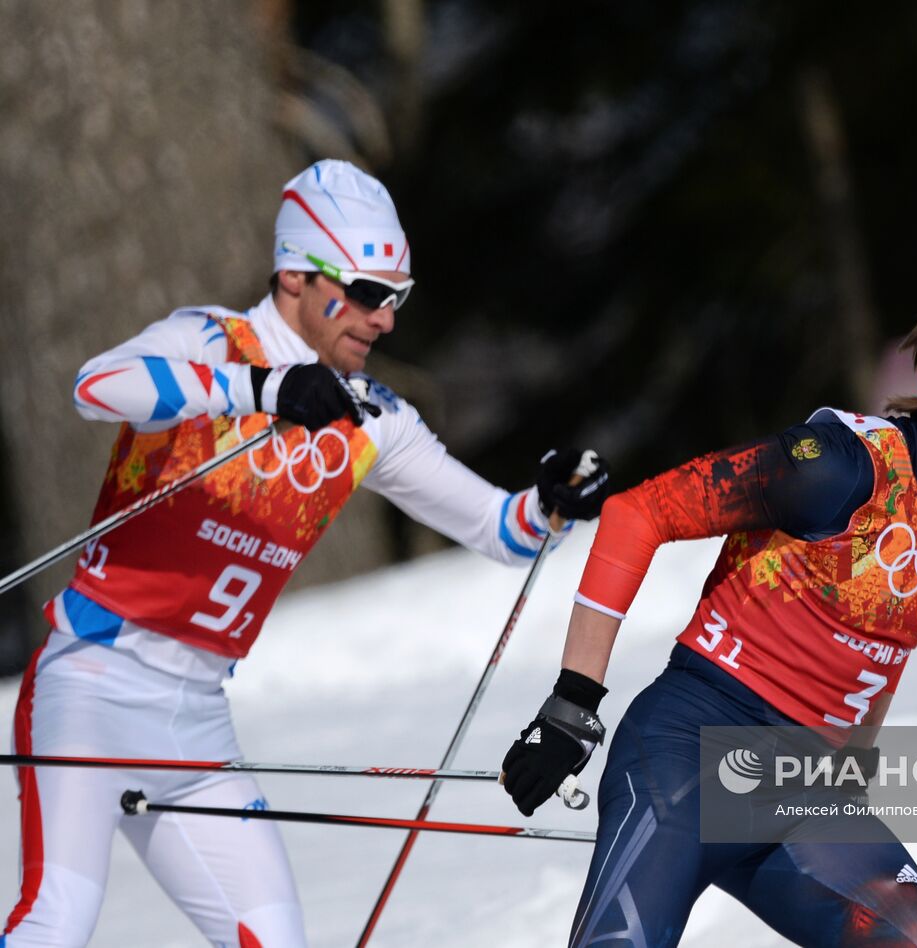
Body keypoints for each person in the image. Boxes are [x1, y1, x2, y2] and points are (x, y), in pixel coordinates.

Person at [2, 159, 610, 947]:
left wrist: (553, 500)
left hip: (193, 721)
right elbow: (96, 386)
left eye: (396, 299)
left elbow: (501, 529)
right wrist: (262, 389)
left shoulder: (370, 417)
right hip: (90, 682)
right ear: (296, 273)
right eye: (366, 293)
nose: (384, 319)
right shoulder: (212, 339)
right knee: (57, 920)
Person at [500, 277, 917, 947]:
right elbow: (636, 513)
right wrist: (572, 704)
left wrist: (854, 768)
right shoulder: (836, 468)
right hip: (691, 755)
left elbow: (885, 646)